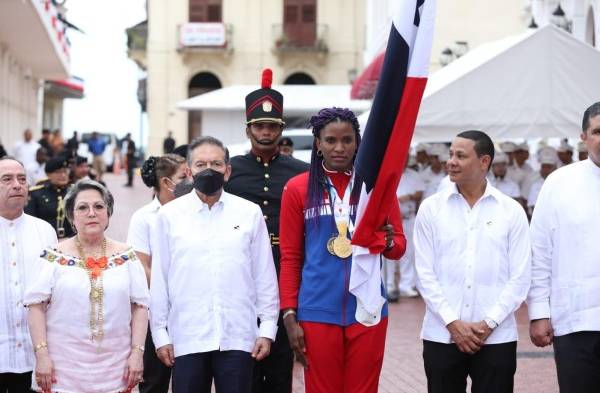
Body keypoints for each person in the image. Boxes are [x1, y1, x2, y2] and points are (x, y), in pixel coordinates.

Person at [279, 107, 406, 393]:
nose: (339, 148)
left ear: (358, 143)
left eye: (347, 140)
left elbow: (398, 247)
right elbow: (290, 258)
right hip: (317, 309)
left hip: (368, 305)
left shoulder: (375, 188)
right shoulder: (297, 189)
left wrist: (387, 242)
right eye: (331, 140)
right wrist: (289, 314)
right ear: (318, 144)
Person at [150, 136, 279, 393]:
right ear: (189, 171)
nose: (209, 169)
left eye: (216, 163)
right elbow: (160, 280)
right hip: (187, 337)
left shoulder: (249, 213)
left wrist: (266, 329)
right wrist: (160, 334)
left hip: (238, 337)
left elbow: (264, 276)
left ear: (227, 171)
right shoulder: (168, 217)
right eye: (201, 164)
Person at [414, 130, 531, 393]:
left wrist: (488, 323)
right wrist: (452, 323)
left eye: (461, 156)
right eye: (451, 154)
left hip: (497, 336)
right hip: (441, 334)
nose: (451, 161)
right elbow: (424, 273)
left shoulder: (511, 210)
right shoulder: (431, 209)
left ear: (484, 161)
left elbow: (521, 276)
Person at [224, 68, 309, 393]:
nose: (265, 131)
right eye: (259, 125)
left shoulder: (301, 172)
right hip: (242, 275)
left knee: (280, 367)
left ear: (281, 129)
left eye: (272, 126)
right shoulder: (230, 171)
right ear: (248, 129)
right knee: (242, 367)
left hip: (286, 273)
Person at [24, 179, 149, 393]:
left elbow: (140, 306)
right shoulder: (52, 257)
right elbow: (35, 306)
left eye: (99, 206)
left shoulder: (126, 256)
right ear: (72, 216)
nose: (92, 213)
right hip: (63, 372)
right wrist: (41, 355)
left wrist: (137, 353)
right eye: (83, 207)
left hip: (116, 370)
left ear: (108, 213)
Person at [528, 102, 600, 392]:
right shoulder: (559, 183)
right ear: (583, 138)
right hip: (574, 319)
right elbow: (540, 252)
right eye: (597, 131)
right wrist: (538, 312)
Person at [128, 154, 189, 393]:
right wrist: (173, 288)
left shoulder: (192, 212)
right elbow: (141, 265)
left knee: (190, 379)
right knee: (154, 381)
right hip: (156, 311)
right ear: (166, 182)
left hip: (189, 311)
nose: (190, 181)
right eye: (183, 177)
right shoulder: (144, 218)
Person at [0, 157, 57, 393]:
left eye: (22, 179)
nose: (17, 185)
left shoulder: (44, 231)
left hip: (37, 358)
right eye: (7, 179)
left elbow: (57, 292)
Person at [384, 162, 425, 300]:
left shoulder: (414, 175)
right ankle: (389, 286)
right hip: (389, 221)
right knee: (388, 252)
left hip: (408, 217)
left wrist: (409, 197)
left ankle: (406, 286)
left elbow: (420, 192)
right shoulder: (387, 172)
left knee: (408, 252)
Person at [25, 156, 74, 240]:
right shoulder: (36, 193)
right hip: (45, 240)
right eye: (58, 172)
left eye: (65, 171)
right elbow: (30, 221)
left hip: (71, 239)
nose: (63, 175)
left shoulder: (74, 193)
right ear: (48, 174)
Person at [526, 148, 557, 214]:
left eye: (548, 167)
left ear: (555, 168)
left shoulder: (561, 184)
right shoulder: (535, 185)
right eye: (543, 167)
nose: (545, 170)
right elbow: (533, 206)